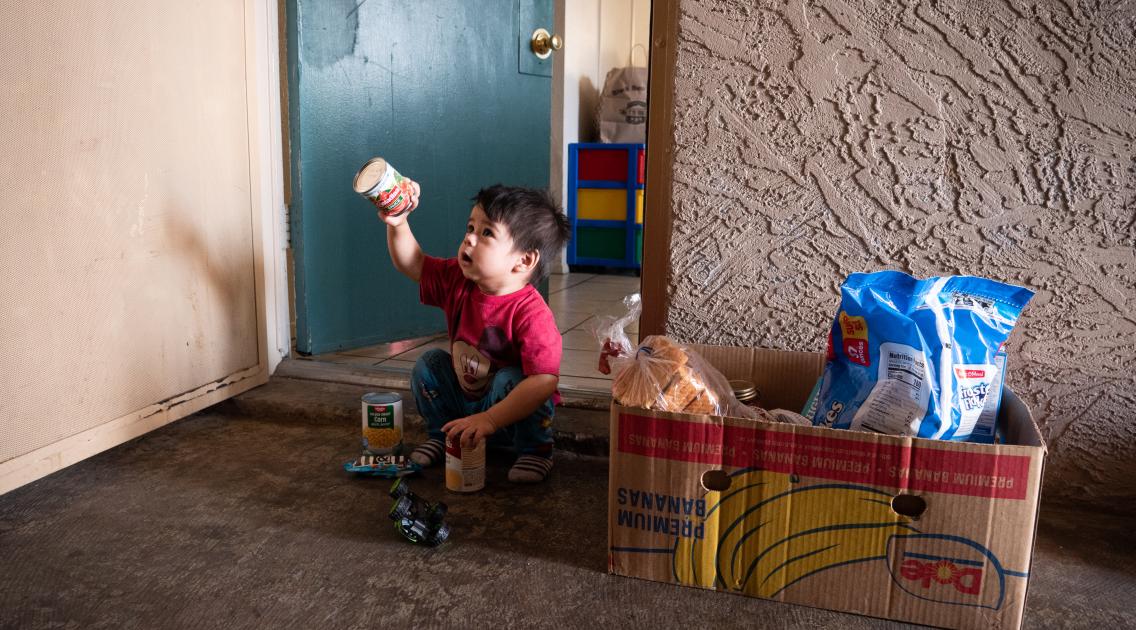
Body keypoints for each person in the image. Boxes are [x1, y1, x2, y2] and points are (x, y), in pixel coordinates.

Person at [379, 180, 570, 483]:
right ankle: (445, 434)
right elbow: (412, 263)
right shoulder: (458, 281)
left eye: (487, 233)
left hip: (510, 415)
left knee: (517, 379)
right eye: (470, 227)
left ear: (524, 261)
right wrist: (398, 223)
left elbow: (545, 381)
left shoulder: (531, 313)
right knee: (429, 364)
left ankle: (534, 450)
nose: (469, 239)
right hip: (469, 403)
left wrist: (491, 419)